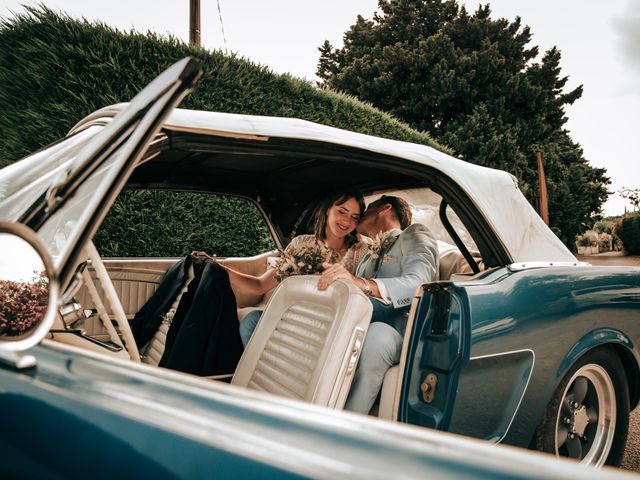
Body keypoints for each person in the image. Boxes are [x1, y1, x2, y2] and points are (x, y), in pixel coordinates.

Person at [318, 195, 438, 414]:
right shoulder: (366, 256)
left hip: (399, 333)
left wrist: (361, 283)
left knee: (378, 334)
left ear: (384, 208)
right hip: (355, 327)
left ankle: (344, 427)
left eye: (366, 210)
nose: (359, 217)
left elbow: (420, 284)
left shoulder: (413, 235)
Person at [216, 191, 369, 346]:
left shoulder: (362, 251)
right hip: (297, 317)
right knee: (251, 321)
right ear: (328, 209)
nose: (346, 221)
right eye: (342, 211)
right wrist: (217, 267)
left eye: (354, 217)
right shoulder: (300, 244)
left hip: (334, 322)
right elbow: (259, 285)